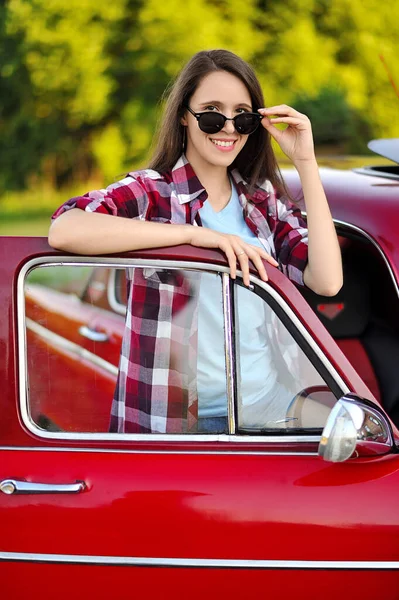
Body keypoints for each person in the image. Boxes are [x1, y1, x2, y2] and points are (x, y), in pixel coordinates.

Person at [49, 49, 343, 434]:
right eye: (212, 113)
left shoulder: (261, 201)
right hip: (176, 424)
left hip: (268, 408)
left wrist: (306, 162)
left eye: (243, 116)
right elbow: (65, 229)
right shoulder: (153, 193)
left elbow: (326, 280)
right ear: (185, 117)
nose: (229, 128)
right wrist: (194, 236)